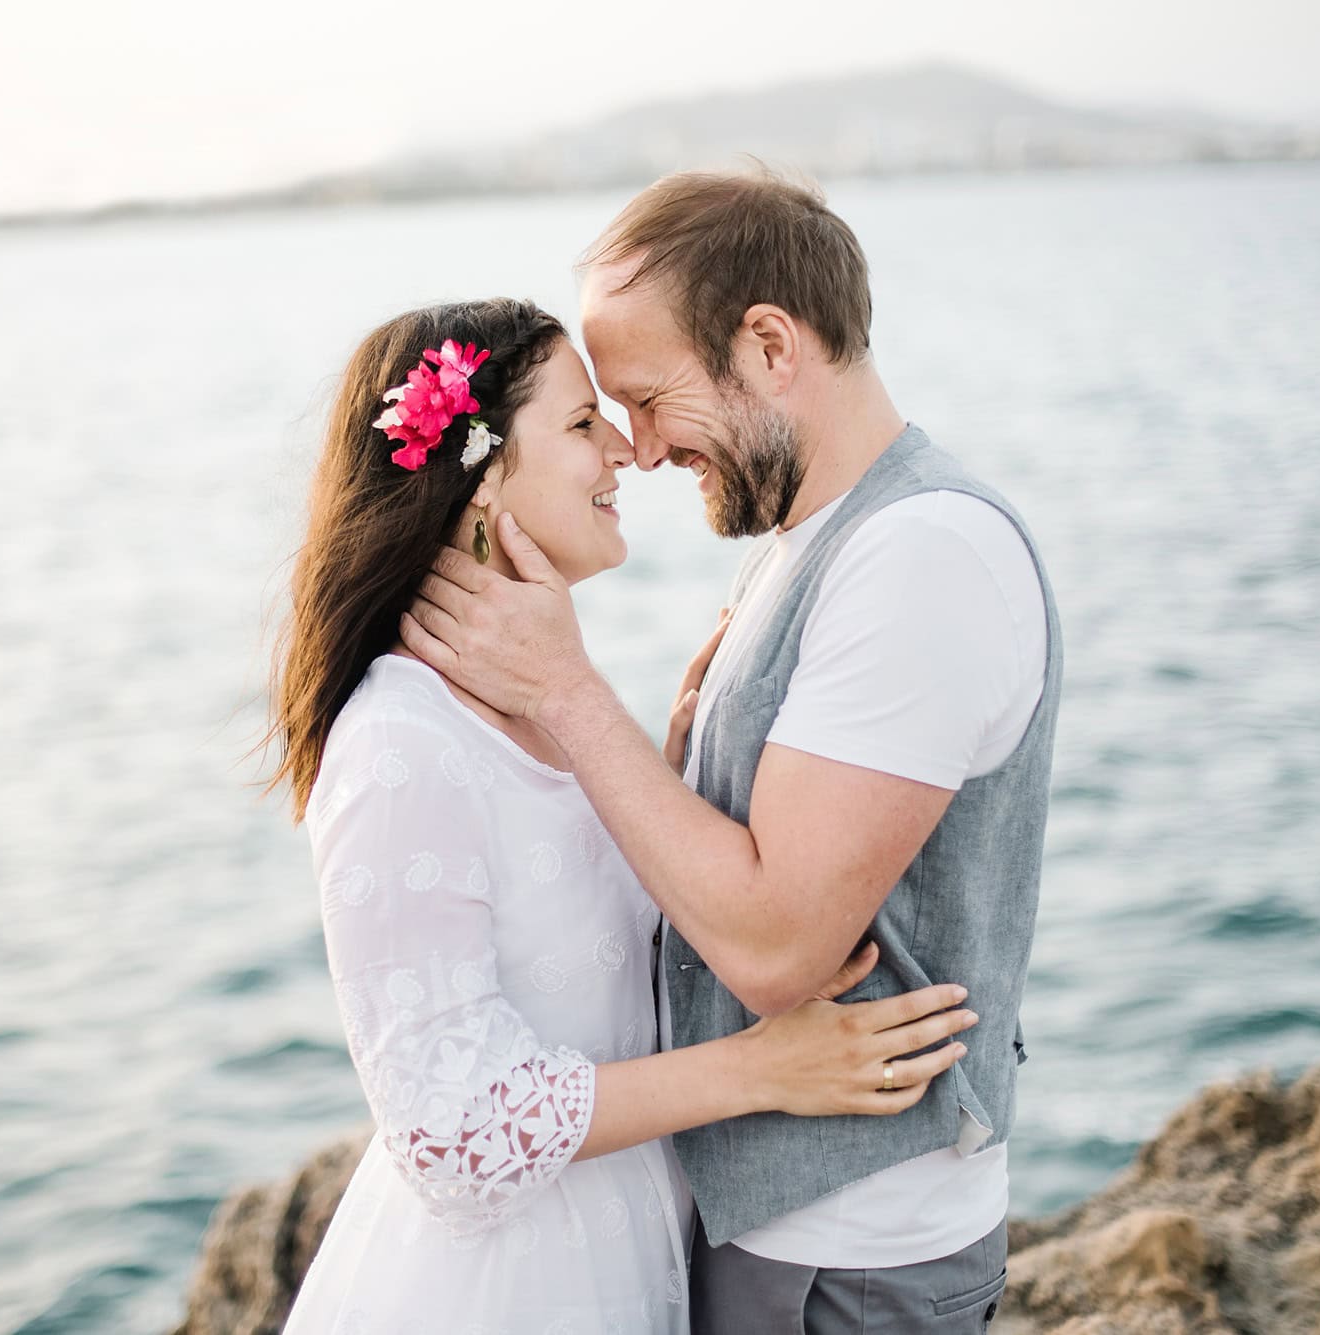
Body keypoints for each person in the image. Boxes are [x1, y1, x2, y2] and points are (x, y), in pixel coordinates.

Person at [402, 171, 1063, 1333]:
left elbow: (775, 950)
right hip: (768, 1235)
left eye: (649, 399)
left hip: (849, 1260)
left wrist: (566, 691)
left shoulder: (921, 557)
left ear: (767, 346)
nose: (641, 450)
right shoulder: (810, 541)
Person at [265, 297, 977, 1332]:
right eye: (579, 422)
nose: (624, 450)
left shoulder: (542, 700)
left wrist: (679, 787)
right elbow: (450, 1132)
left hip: (620, 1246)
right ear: (480, 475)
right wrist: (761, 1070)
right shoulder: (399, 740)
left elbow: (581, 963)